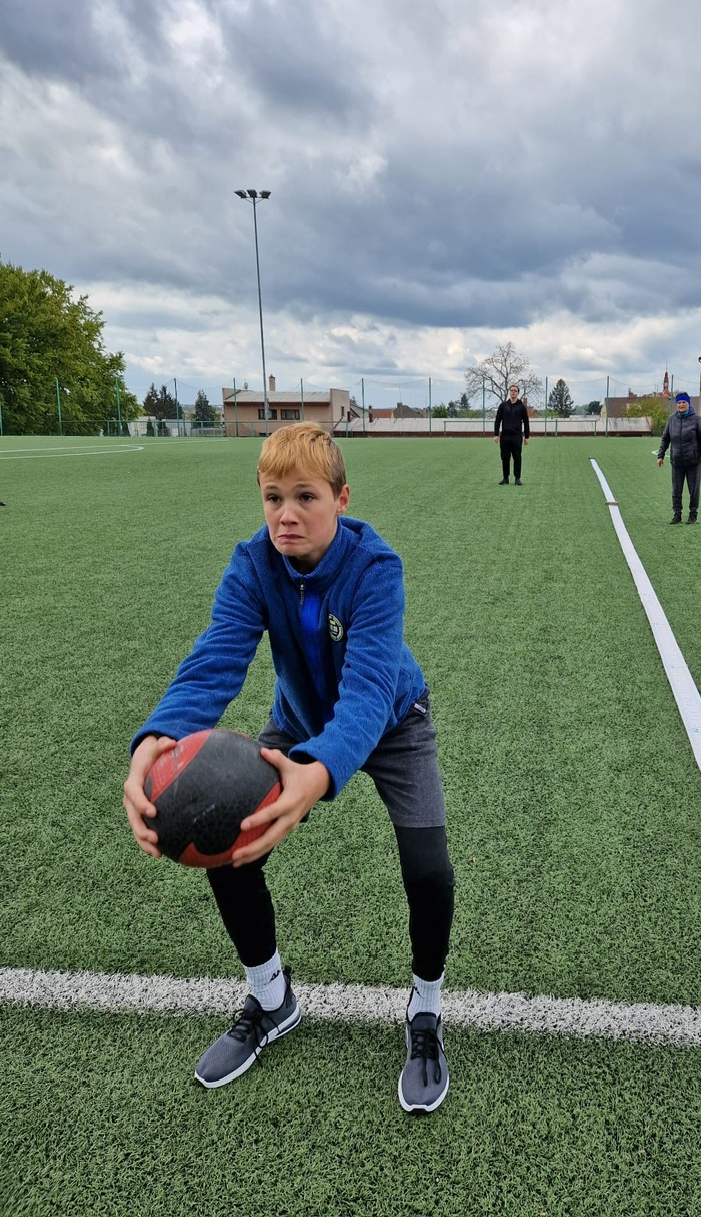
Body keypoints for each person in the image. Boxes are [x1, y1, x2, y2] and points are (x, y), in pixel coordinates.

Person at [122, 422, 455, 1114]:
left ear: (341, 499)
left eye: (306, 496)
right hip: (297, 721)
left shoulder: (376, 568)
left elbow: (368, 692)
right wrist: (157, 736)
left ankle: (425, 1007)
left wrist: (318, 772)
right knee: (226, 841)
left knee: (430, 871)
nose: (286, 515)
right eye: (273, 497)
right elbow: (215, 659)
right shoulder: (254, 563)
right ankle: (271, 999)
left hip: (392, 724)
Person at [656, 392, 701, 524]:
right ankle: (677, 515)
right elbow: (665, 439)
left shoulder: (696, 419)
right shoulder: (672, 420)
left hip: (693, 461)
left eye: (684, 402)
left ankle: (693, 515)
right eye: (679, 402)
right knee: (676, 490)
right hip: (677, 462)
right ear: (676, 405)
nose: (681, 405)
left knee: (694, 490)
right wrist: (660, 455)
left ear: (688, 404)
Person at [493, 384, 530, 484]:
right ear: (509, 392)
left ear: (518, 393)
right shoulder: (503, 405)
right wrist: (496, 434)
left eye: (515, 391)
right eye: (511, 390)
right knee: (505, 457)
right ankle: (505, 478)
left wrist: (527, 436)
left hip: (516, 436)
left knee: (517, 457)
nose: (513, 392)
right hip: (505, 436)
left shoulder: (522, 406)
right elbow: (498, 420)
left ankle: (517, 478)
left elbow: (526, 422)